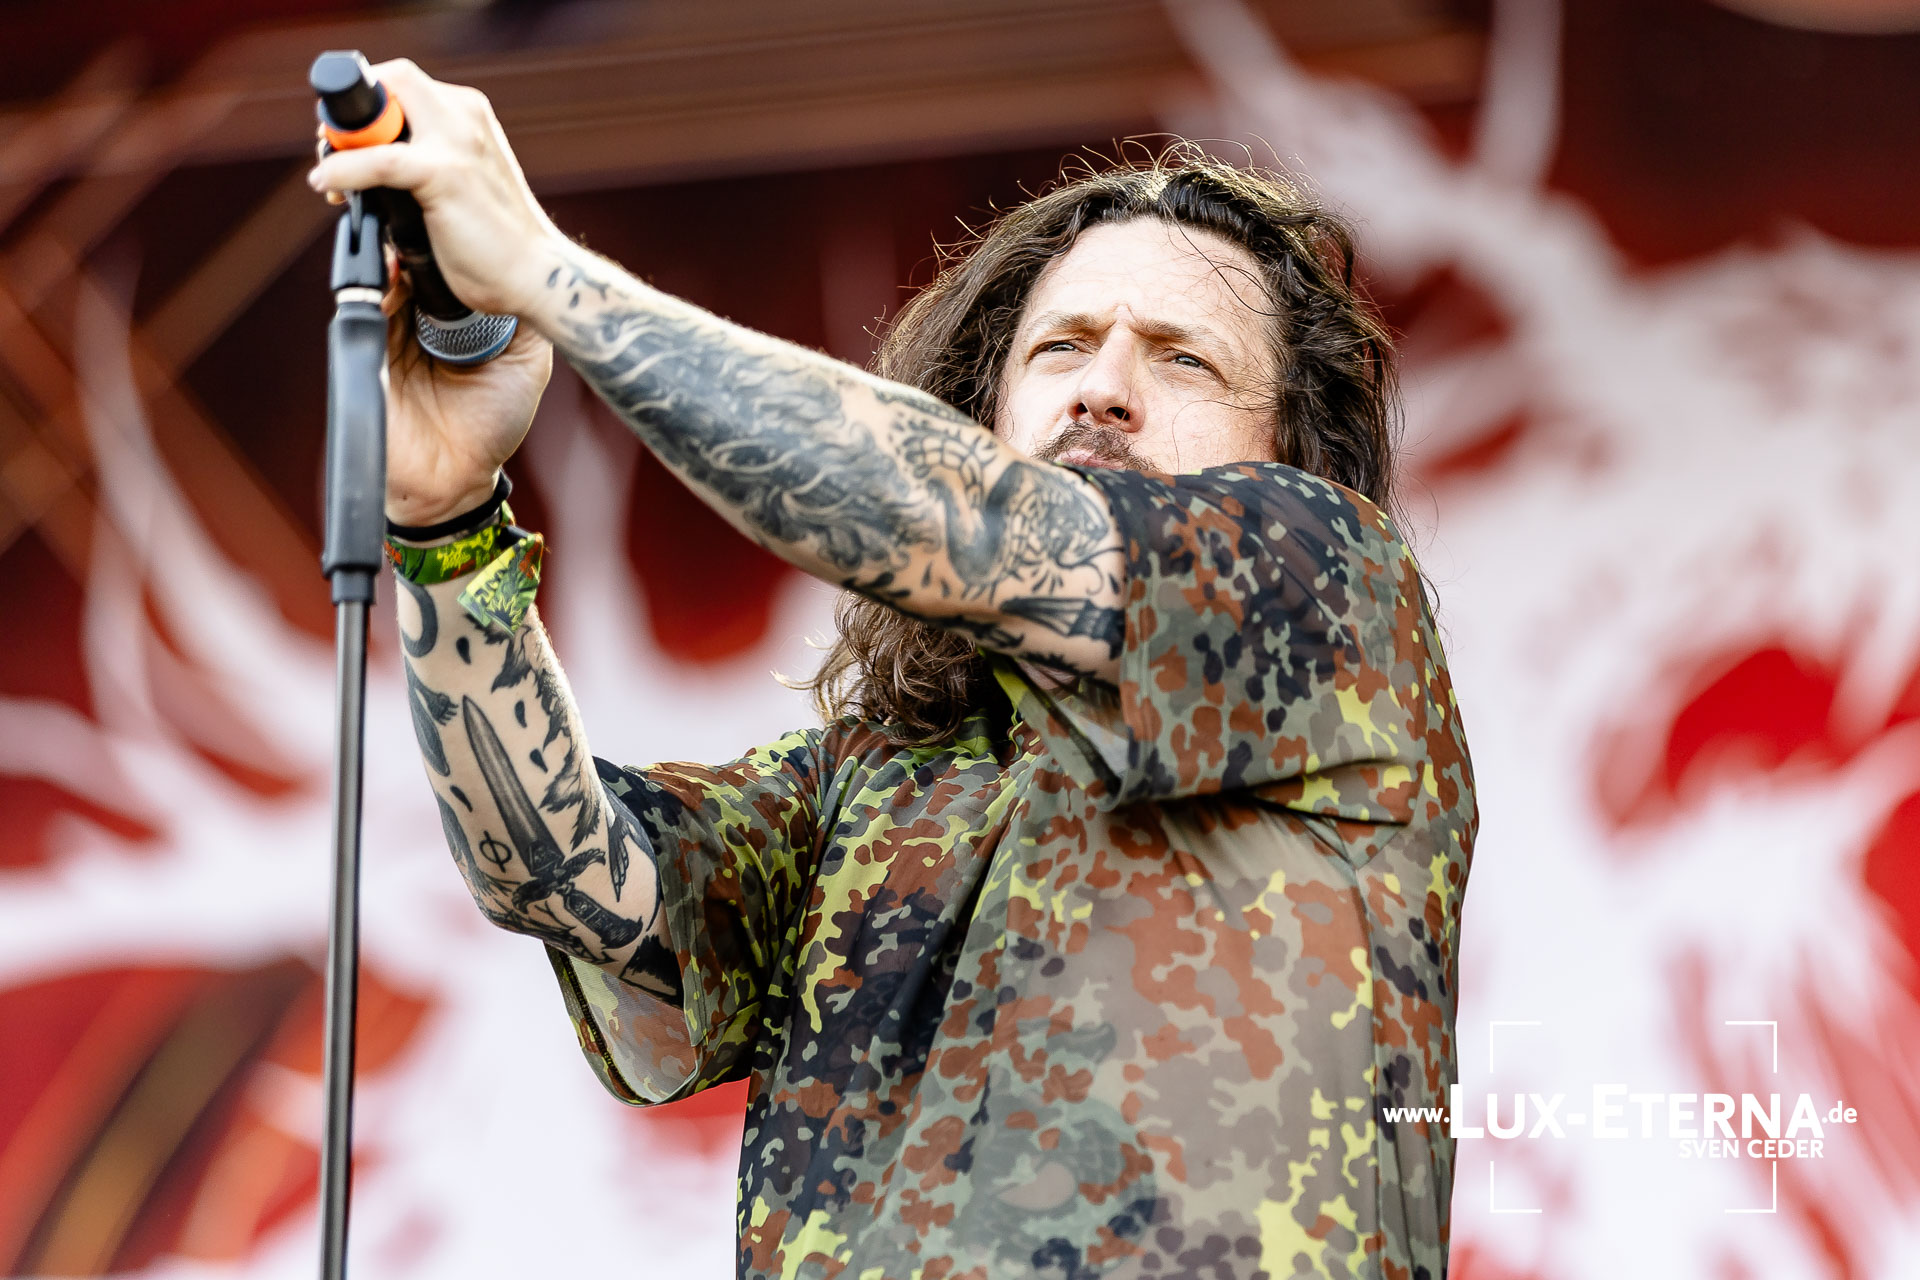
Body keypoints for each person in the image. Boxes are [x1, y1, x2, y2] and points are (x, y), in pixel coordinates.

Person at [309, 58, 1475, 1280]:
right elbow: (563, 872)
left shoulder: (1332, 588)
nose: (1104, 389)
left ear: (1289, 447)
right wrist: (447, 530)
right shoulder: (867, 785)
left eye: (1183, 359)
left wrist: (543, 271)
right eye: (1062, 347)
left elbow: (959, 519)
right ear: (988, 412)